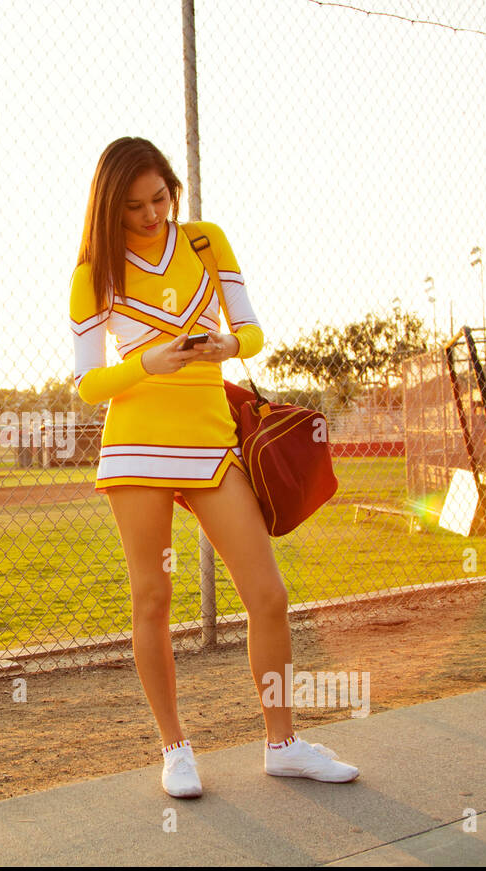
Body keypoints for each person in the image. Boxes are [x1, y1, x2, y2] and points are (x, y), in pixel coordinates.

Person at [69, 136, 359, 798]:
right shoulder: (93, 272)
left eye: (160, 198)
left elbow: (251, 330)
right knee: (152, 596)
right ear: (110, 209)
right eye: (134, 207)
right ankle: (174, 750)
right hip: (137, 444)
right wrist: (150, 361)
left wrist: (230, 344)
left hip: (210, 438)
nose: (151, 216)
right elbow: (88, 383)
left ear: (174, 189)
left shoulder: (204, 242)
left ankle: (282, 745)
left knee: (268, 595)